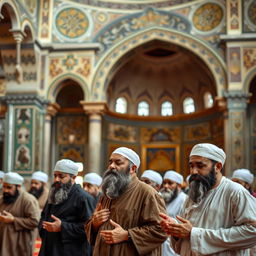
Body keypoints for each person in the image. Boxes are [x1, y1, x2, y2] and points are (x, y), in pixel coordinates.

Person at [160, 143, 256, 256]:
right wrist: (175, 229)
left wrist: (193, 233)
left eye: (200, 166)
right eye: (191, 166)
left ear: (218, 167)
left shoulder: (235, 192)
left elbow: (252, 231)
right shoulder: (194, 193)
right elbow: (186, 231)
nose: (193, 171)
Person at [85, 147, 167, 256]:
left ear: (132, 168)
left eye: (118, 163)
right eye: (110, 162)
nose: (112, 166)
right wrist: (94, 223)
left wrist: (127, 235)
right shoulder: (108, 192)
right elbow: (91, 225)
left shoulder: (147, 193)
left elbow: (161, 230)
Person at [38, 159, 96, 256]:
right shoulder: (53, 194)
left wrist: (62, 227)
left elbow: (89, 228)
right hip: (49, 246)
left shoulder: (84, 198)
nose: (56, 179)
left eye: (61, 176)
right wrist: (43, 227)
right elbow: (44, 216)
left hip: (70, 250)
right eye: (55, 175)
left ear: (73, 177)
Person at [0, 172, 40, 256]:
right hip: (3, 239)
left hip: (20, 243)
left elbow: (35, 222)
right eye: (4, 187)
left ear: (18, 186)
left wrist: (13, 220)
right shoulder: (2, 199)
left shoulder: (28, 200)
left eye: (9, 187)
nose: (5, 190)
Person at [161, 170, 187, 256]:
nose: (165, 186)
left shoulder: (185, 200)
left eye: (170, 183)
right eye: (164, 183)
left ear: (179, 186)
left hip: (176, 246)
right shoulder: (163, 198)